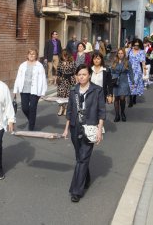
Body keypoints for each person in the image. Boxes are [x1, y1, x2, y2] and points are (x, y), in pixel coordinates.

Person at [62, 64, 106, 203]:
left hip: (90, 127)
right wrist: (66, 128)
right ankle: (86, 179)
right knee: (79, 157)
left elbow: (101, 112)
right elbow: (69, 110)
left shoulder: (97, 90)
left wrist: (100, 130)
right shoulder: (73, 90)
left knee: (82, 158)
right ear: (76, 76)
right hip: (75, 127)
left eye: (84, 74)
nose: (81, 77)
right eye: (79, 74)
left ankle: (76, 191)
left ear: (89, 76)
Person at [13, 49, 47, 130]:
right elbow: (18, 78)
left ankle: (31, 127)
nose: (31, 55)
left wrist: (43, 92)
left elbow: (43, 79)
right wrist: (15, 90)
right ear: (27, 55)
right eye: (30, 54)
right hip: (24, 89)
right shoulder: (22, 65)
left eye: (33, 54)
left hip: (35, 90)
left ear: (36, 56)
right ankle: (31, 119)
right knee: (24, 108)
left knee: (32, 107)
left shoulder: (39, 66)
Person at [111, 48, 134, 122]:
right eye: (119, 53)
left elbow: (130, 72)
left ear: (124, 54)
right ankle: (117, 115)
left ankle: (123, 113)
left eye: (122, 53)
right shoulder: (114, 62)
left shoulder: (127, 62)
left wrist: (132, 81)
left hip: (124, 81)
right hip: (116, 81)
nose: (120, 55)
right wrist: (113, 77)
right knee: (116, 98)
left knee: (122, 98)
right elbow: (111, 71)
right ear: (117, 54)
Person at [128, 39, 147, 107]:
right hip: (130, 70)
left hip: (137, 70)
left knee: (135, 83)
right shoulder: (129, 51)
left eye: (138, 45)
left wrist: (144, 70)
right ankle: (130, 99)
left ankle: (134, 97)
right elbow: (126, 59)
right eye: (135, 45)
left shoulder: (141, 52)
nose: (136, 46)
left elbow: (143, 62)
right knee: (129, 84)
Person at [56, 49, 76, 116]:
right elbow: (58, 71)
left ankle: (66, 109)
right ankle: (61, 108)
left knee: (68, 95)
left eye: (65, 55)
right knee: (61, 94)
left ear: (68, 55)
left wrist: (75, 80)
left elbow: (75, 71)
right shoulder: (60, 62)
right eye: (63, 55)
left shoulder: (72, 62)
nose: (64, 57)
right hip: (62, 79)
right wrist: (57, 78)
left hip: (70, 80)